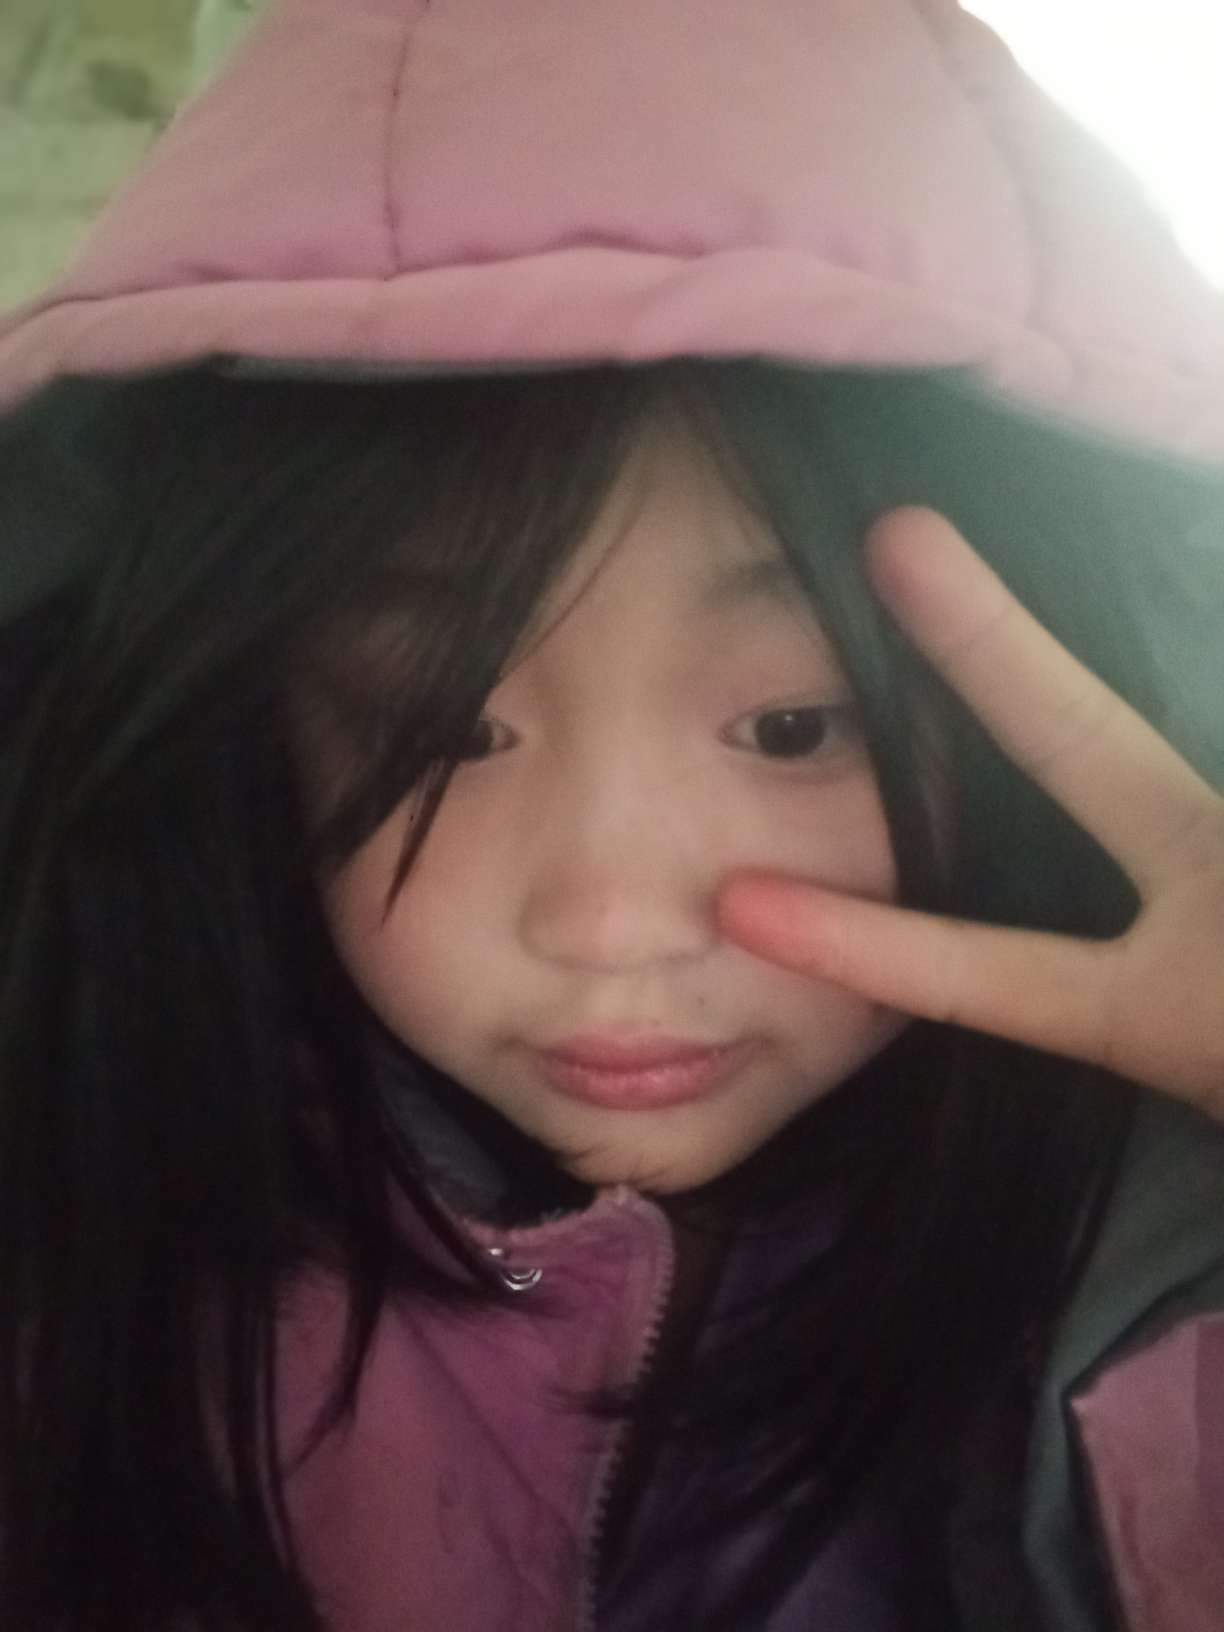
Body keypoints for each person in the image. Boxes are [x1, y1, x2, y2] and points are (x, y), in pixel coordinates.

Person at [0, 2, 1222, 1629]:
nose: (610, 925)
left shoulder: (1166, 1252)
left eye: (795, 726)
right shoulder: (91, 1224)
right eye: (442, 729)